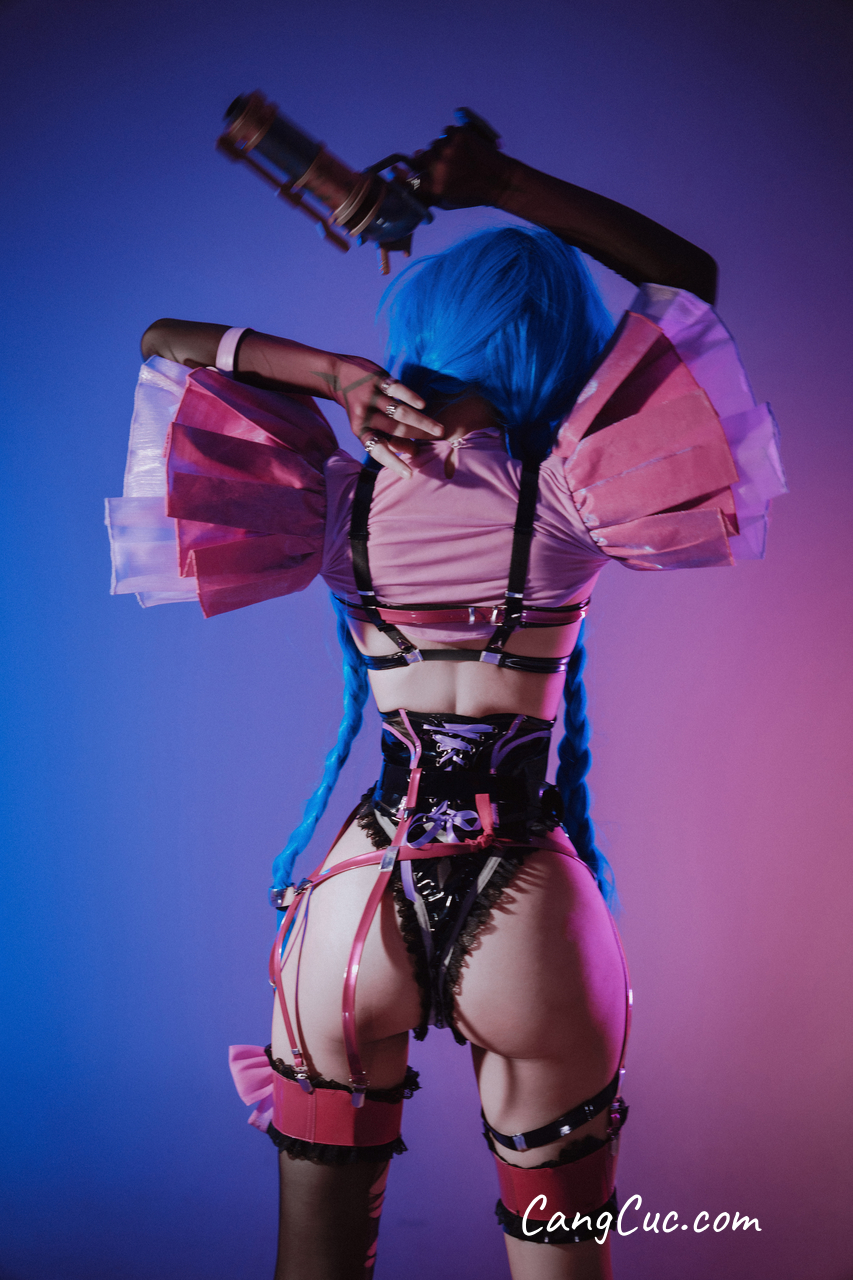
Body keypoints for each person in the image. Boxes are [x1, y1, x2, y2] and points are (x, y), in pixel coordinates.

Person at [109, 126, 784, 1280]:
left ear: (420, 341)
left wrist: (334, 376)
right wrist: (502, 182)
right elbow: (687, 282)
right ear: (557, 350)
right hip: (531, 916)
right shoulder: (570, 498)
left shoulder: (335, 506)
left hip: (354, 903)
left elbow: (164, 340)